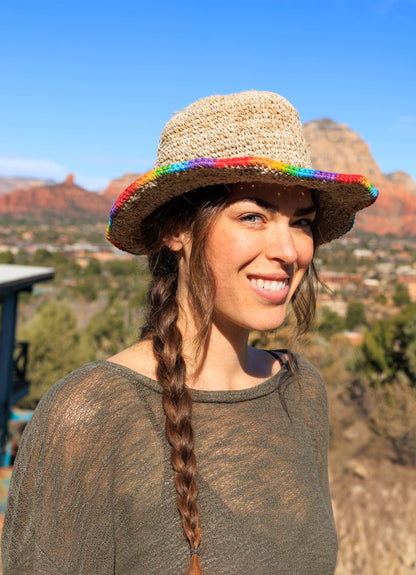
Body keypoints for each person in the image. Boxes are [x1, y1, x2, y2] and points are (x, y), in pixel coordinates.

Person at [1, 91, 378, 575]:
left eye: (301, 222)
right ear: (176, 229)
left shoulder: (301, 392)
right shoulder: (91, 414)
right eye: (253, 216)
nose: (288, 250)